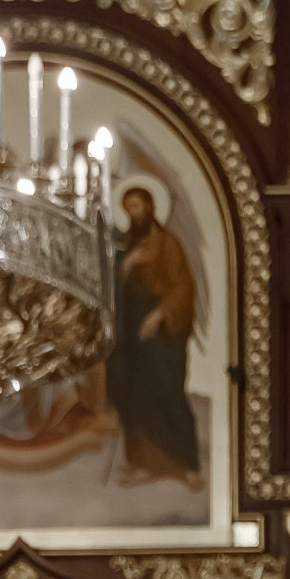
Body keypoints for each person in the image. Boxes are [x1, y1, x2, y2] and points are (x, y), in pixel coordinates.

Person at [107, 185, 204, 489]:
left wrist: (159, 314)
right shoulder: (126, 244)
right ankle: (142, 463)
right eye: (128, 208)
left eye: (137, 206)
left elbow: (183, 288)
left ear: (150, 207)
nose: (133, 213)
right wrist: (127, 265)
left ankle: (187, 465)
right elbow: (114, 286)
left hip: (162, 334)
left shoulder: (168, 244)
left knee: (168, 392)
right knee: (135, 397)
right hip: (130, 333)